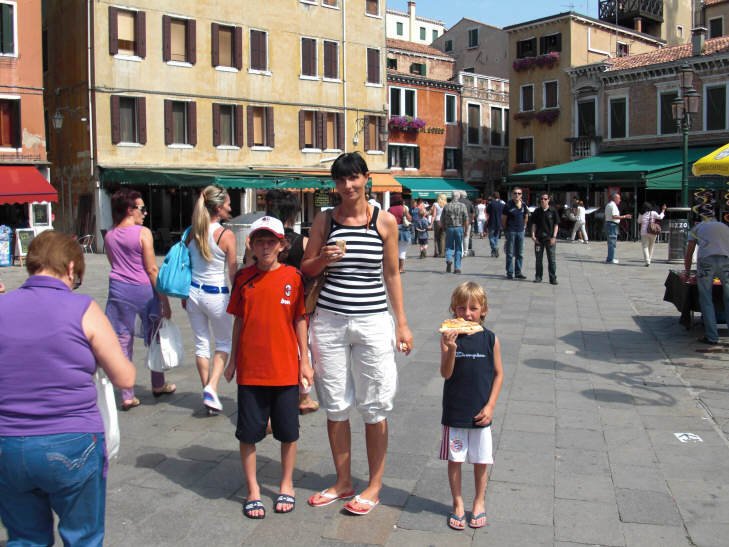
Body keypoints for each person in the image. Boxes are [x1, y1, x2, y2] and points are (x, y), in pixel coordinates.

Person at [0, 230, 136, 545]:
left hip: (7, 441)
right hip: (71, 439)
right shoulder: (83, 308)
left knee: (25, 538)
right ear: (71, 268)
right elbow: (125, 378)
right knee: (83, 537)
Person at [301, 152, 413, 516]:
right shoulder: (324, 219)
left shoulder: (384, 221)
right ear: (334, 184)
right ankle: (343, 481)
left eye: (353, 178)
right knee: (334, 404)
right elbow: (306, 267)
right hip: (329, 322)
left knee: (375, 404)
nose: (347, 185)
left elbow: (392, 274)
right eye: (340, 179)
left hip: (372, 322)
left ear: (366, 178)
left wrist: (402, 322)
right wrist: (323, 259)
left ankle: (374, 485)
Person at [223, 215, 313, 518]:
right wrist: (232, 360)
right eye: (259, 241)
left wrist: (305, 362)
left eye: (271, 241)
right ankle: (253, 490)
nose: (265, 247)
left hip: (285, 367)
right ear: (251, 245)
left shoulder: (294, 277)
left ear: (281, 245)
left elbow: (300, 319)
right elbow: (238, 320)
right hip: (251, 369)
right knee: (248, 434)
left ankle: (287, 484)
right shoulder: (242, 278)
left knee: (288, 432)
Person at [104, 189, 175, 411]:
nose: (145, 213)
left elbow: (114, 263)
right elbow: (152, 269)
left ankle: (127, 394)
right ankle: (158, 383)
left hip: (119, 289)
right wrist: (165, 301)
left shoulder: (109, 235)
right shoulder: (143, 233)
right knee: (155, 337)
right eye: (142, 209)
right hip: (143, 290)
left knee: (123, 341)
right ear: (129, 209)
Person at [439, 282, 503, 531]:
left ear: (483, 310)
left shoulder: (490, 339)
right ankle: (457, 503)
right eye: (461, 308)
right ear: (453, 309)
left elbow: (498, 374)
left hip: (480, 411)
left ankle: (479, 501)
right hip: (455, 409)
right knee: (454, 458)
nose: (467, 314)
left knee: (481, 460)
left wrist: (490, 406)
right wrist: (452, 349)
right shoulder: (448, 336)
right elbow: (446, 373)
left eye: (473, 308)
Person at [183, 185, 237, 413]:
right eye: (228, 205)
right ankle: (212, 387)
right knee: (223, 343)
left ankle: (208, 394)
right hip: (216, 295)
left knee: (201, 345)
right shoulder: (225, 235)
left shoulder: (191, 232)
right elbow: (233, 273)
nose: (230, 208)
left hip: (193, 294)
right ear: (218, 208)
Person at [265, 189, 319, 414]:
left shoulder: (261, 242)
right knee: (302, 348)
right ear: (293, 215)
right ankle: (303, 397)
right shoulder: (302, 242)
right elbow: (314, 273)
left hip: (268, 304)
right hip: (296, 304)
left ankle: (269, 397)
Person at [684, 217, 729, 345]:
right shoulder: (724, 227)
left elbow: (689, 253)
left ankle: (712, 336)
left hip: (706, 261)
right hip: (726, 261)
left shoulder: (697, 228)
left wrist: (687, 273)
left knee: (706, 297)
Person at [530, 192, 560, 285]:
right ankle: (538, 277)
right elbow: (534, 224)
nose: (543, 200)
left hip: (550, 239)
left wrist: (554, 237)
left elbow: (556, 225)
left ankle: (553, 278)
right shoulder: (537, 211)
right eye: (541, 199)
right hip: (539, 239)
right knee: (538, 260)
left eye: (545, 199)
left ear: (548, 200)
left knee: (551, 260)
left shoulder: (553, 211)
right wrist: (533, 236)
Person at [502, 188, 529, 279]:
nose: (517, 195)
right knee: (509, 253)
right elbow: (504, 219)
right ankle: (509, 272)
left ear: (521, 195)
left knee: (519, 253)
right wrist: (507, 229)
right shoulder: (508, 205)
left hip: (520, 231)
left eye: (519, 193)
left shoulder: (524, 205)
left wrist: (523, 227)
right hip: (511, 231)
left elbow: (526, 217)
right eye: (515, 193)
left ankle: (518, 272)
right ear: (512, 194)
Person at [442, 192, 469, 274]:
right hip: (459, 227)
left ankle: (449, 259)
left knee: (449, 246)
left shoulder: (446, 206)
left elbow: (442, 219)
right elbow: (466, 219)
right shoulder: (462, 206)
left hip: (449, 228)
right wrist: (466, 230)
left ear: (451, 197)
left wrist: (444, 228)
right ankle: (457, 268)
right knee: (458, 248)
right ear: (459, 197)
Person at [387, 192, 412, 274]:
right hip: (403, 231)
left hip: (392, 231)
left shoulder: (390, 209)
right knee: (402, 250)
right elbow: (410, 219)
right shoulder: (403, 208)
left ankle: (393, 268)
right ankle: (400, 268)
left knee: (393, 250)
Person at [605, 193, 632, 264]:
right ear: (614, 198)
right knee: (612, 243)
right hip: (612, 224)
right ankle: (610, 259)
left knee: (610, 242)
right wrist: (625, 216)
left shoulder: (608, 205)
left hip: (609, 224)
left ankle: (610, 257)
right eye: (619, 198)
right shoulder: (613, 206)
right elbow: (614, 216)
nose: (620, 200)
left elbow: (606, 216)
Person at [637, 202, 666, 267]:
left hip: (644, 232)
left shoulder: (641, 214)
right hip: (652, 231)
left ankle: (647, 261)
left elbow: (639, 221)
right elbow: (660, 217)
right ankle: (649, 259)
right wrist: (663, 210)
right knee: (651, 246)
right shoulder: (653, 213)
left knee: (645, 246)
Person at [486, 192, 505, 258]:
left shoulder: (491, 204)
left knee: (490, 236)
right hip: (499, 223)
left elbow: (487, 212)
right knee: (496, 237)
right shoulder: (502, 205)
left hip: (492, 222)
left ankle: (494, 247)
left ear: (493, 197)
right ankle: (493, 252)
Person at [458, 191, 475, 257]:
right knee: (466, 236)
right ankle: (465, 251)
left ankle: (461, 252)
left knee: (460, 237)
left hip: (459, 222)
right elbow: (472, 212)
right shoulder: (469, 202)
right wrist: (472, 219)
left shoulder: (458, 202)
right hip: (468, 221)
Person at [432, 193, 447, 257]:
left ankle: (437, 252)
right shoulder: (446, 205)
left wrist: (431, 223)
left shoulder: (435, 204)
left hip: (437, 221)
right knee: (443, 237)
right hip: (444, 221)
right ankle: (443, 253)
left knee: (436, 237)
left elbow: (434, 214)